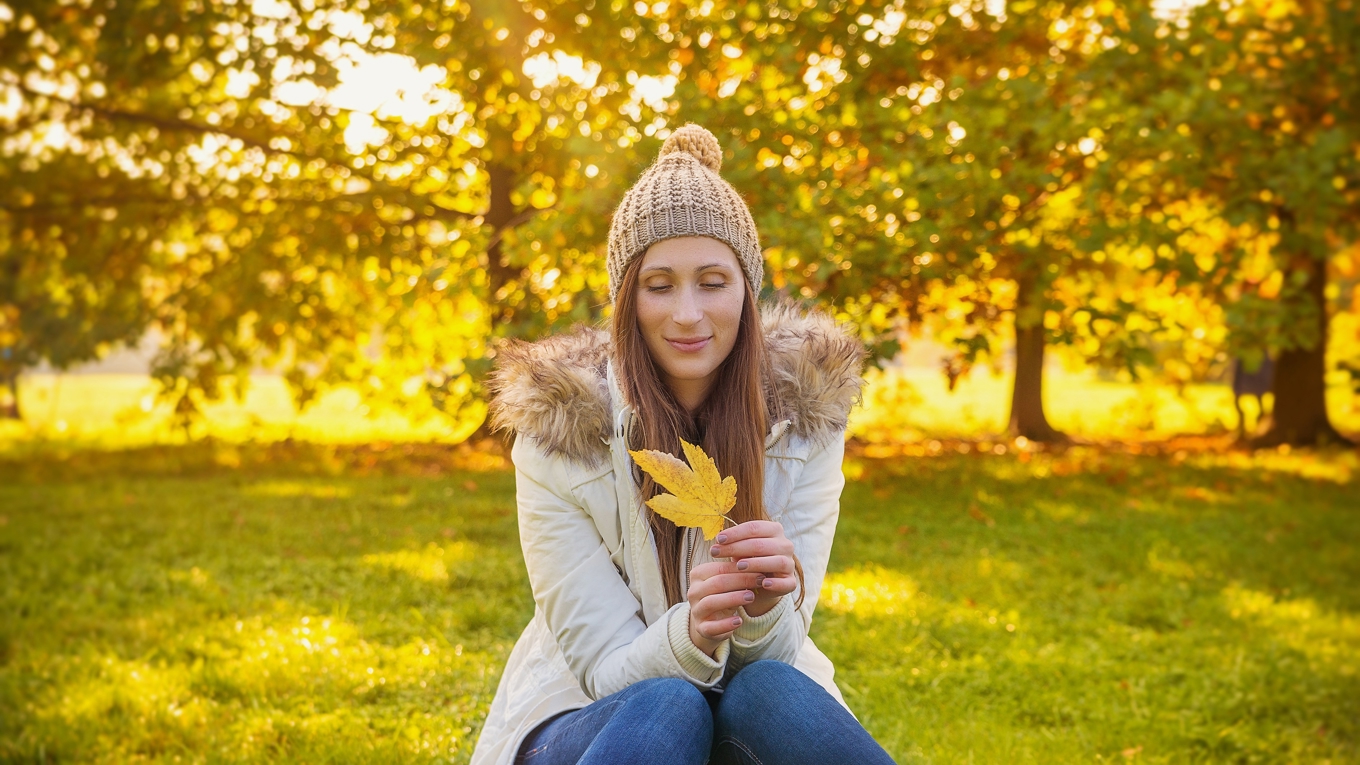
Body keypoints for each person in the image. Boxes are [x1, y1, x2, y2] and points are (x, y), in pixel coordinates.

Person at [470, 124, 896, 765]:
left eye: (714, 282)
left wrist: (766, 611)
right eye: (660, 285)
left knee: (773, 687)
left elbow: (781, 649)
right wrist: (690, 634)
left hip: (743, 706)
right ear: (626, 301)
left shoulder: (805, 426)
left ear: (747, 294)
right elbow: (601, 672)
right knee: (669, 702)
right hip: (582, 719)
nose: (689, 314)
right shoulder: (560, 434)